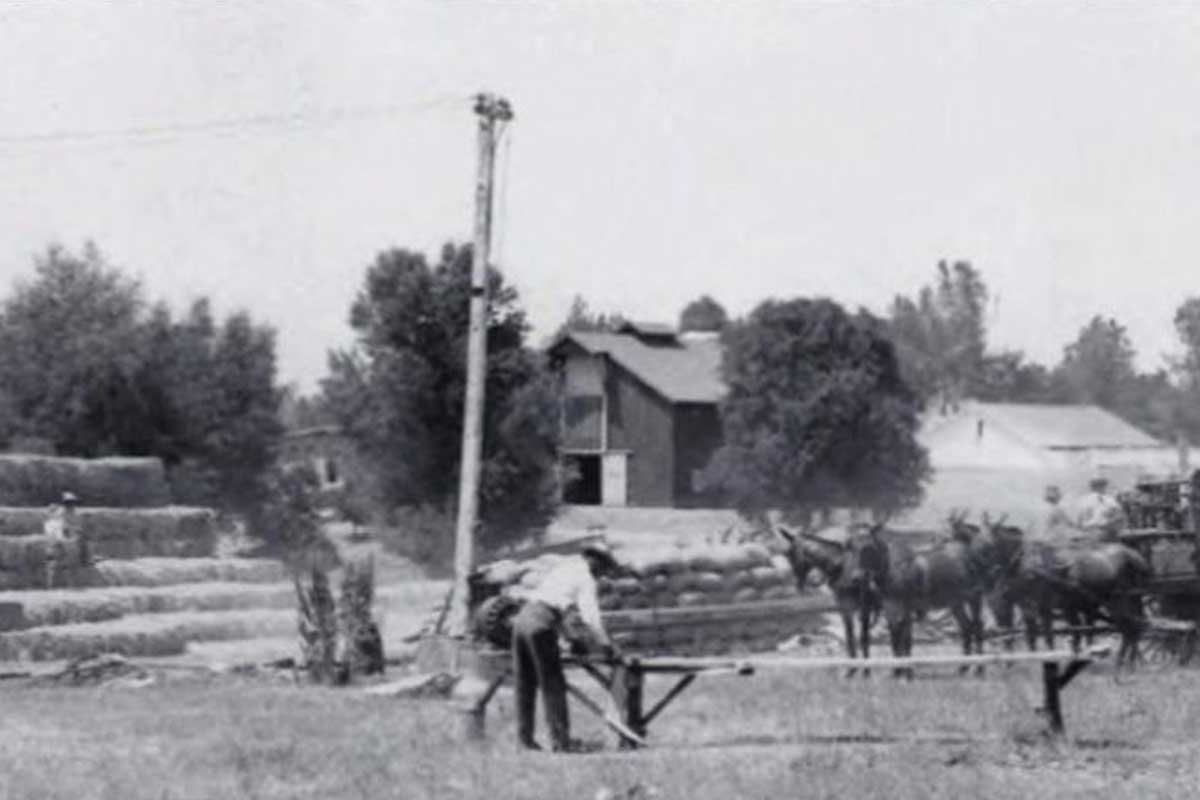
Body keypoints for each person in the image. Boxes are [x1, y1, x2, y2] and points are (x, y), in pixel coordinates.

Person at [511, 541, 622, 753]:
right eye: (603, 566)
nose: (602, 573)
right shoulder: (586, 579)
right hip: (540, 625)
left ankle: (524, 741)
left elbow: (557, 608)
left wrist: (572, 639)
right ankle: (560, 742)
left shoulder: (564, 568)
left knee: (524, 684)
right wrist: (607, 645)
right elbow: (591, 618)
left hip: (522, 620)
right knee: (553, 685)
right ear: (594, 560)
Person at [43, 492, 85, 588]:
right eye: (69, 502)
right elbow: (56, 529)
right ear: (65, 503)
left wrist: (76, 534)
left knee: (67, 564)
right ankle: (52, 586)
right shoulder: (60, 514)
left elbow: (77, 528)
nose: (72, 505)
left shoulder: (73, 514)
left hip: (67, 541)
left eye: (72, 502)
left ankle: (69, 585)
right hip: (59, 541)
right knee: (56, 564)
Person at [1075, 476, 1125, 542]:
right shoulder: (1108, 499)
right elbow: (1119, 516)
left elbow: (1079, 521)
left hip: (1086, 534)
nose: (1106, 488)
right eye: (1105, 486)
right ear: (1102, 486)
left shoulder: (1082, 500)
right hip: (1103, 533)